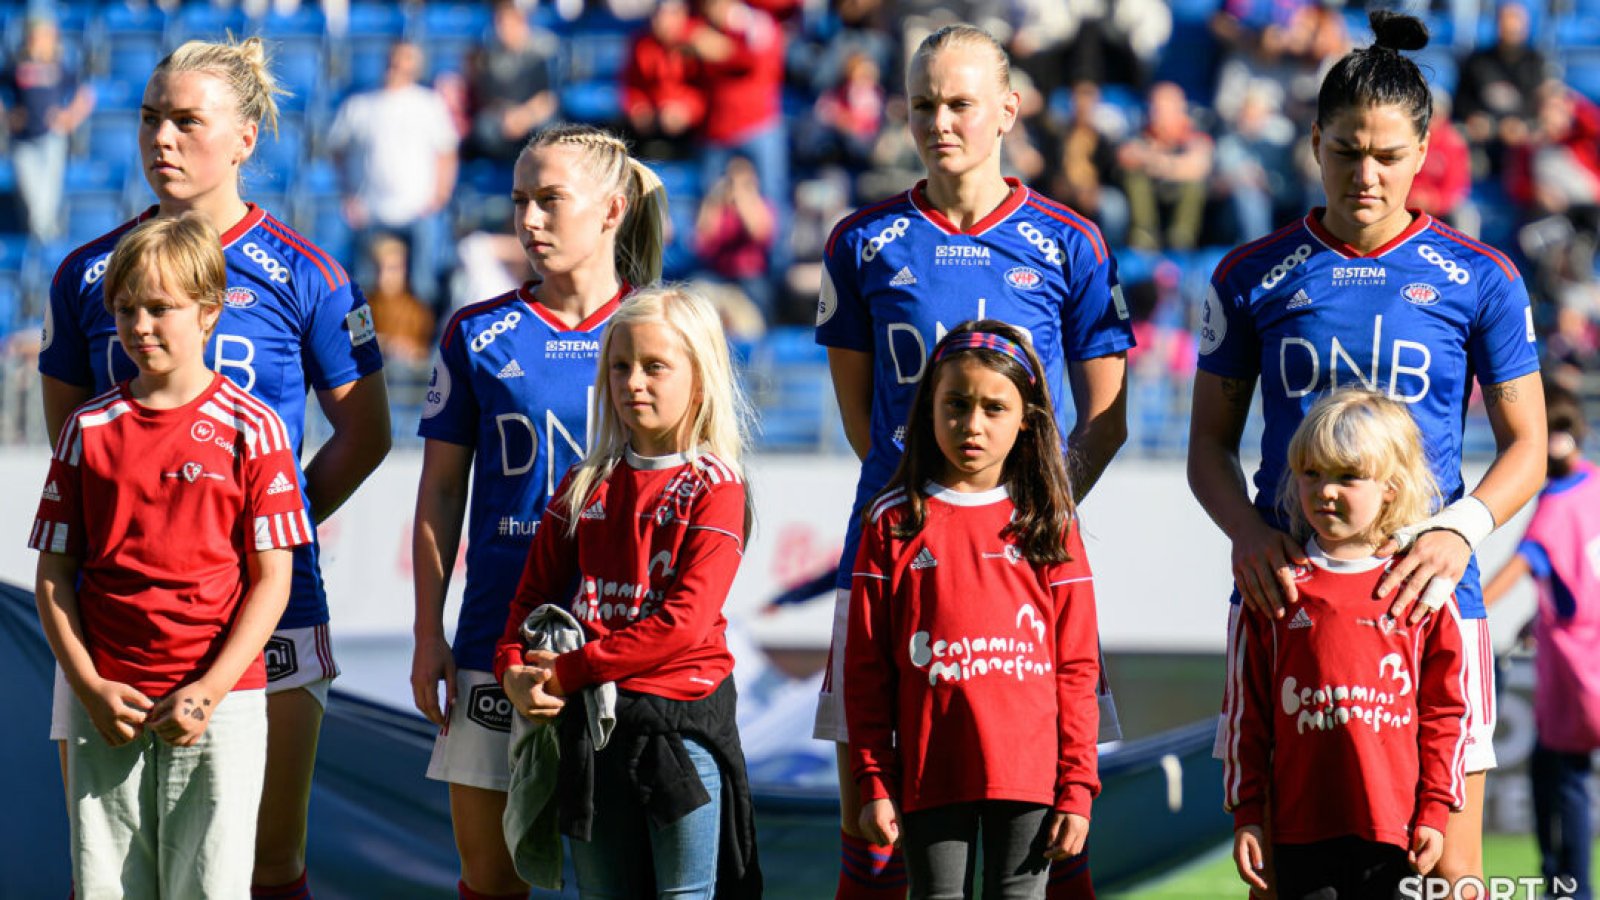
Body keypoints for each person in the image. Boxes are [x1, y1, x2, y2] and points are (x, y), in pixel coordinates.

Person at [1188, 11, 1548, 894]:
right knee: (1288, 871)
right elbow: (1206, 446)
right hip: (1291, 606)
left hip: (1432, 604)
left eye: (1388, 154)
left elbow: (1528, 446)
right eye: (1347, 150)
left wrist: (1459, 532)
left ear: (1425, 151)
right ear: (1314, 143)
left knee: (1443, 874)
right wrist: (1247, 533)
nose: (1367, 174)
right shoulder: (1248, 274)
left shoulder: (1482, 277)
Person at [38, 37, 392, 900]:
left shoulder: (310, 273)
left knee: (265, 866)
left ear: (244, 138)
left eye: (187, 120)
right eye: (151, 117)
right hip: (118, 613)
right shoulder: (88, 273)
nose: (162, 137)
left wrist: (260, 528)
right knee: (120, 872)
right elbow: (72, 449)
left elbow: (366, 433)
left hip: (271, 603)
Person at [813, 23, 1134, 900]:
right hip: (896, 550)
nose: (940, 121)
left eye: (959, 102)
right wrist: (929, 512)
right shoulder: (861, 241)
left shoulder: (1071, 241)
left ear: (1007, 109)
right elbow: (863, 418)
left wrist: (1027, 509)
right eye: (923, 104)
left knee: (1048, 821)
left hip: (1026, 559)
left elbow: (1107, 418)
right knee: (870, 817)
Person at [411, 123, 666, 900]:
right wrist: (429, 634)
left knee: (618, 880)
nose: (529, 220)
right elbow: (441, 495)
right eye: (521, 201)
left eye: (550, 200)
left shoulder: (663, 329)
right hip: (497, 637)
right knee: (492, 882)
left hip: (624, 642)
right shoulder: (476, 332)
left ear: (612, 209)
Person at [32, 214, 312, 899]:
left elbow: (273, 582)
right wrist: (89, 688)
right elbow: (52, 578)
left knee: (211, 888)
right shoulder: (87, 429)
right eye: (126, 310)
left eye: (161, 308)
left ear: (210, 312)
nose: (141, 326)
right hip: (109, 702)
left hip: (220, 705)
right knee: (104, 888)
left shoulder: (255, 426)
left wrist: (209, 691)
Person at [496, 285, 762, 899]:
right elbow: (529, 598)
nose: (633, 382)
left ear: (701, 378)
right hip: (593, 732)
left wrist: (569, 670)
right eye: (620, 366)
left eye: (655, 366)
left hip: (682, 730)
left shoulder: (716, 484)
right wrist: (511, 669)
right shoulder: (584, 481)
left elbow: (685, 623)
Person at [845, 322, 1101, 900]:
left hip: (1031, 778)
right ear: (928, 407)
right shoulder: (891, 522)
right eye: (956, 404)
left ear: (1026, 419)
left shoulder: (1050, 524)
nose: (973, 425)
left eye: (994, 407)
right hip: (929, 772)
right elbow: (865, 673)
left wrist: (1078, 786)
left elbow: (1078, 669)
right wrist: (873, 779)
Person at [1223, 389, 1469, 899]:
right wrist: (1248, 814)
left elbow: (1445, 712)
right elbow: (1249, 717)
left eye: (1347, 477)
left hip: (1396, 836)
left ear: (1390, 488)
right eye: (1311, 474)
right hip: (1299, 837)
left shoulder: (1420, 592)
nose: (1325, 491)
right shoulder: (1277, 589)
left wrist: (1436, 809)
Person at [1482, 380, 1600, 900]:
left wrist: (1455, 609)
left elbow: (1516, 572)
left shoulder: (1552, 508)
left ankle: (1569, 888)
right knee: (1555, 771)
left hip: (1577, 666)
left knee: (1564, 781)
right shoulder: (1596, 483)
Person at [327, 39, 460, 310]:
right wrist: (348, 195)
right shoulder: (360, 105)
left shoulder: (428, 103)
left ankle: (426, 342)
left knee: (424, 283)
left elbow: (447, 152)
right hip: (371, 210)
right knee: (362, 288)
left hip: (418, 210)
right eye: (395, 59)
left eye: (405, 59)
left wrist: (440, 195)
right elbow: (336, 150)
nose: (397, 65)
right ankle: (361, 345)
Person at [0, 14, 94, 242]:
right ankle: (45, 243)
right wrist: (7, 117)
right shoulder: (17, 66)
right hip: (23, 142)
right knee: (34, 201)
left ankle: (45, 251)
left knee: (47, 200)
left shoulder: (59, 67)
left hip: (51, 139)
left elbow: (85, 94)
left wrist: (68, 118)